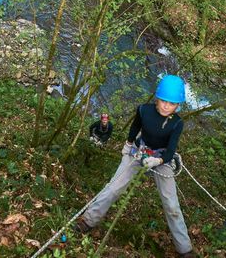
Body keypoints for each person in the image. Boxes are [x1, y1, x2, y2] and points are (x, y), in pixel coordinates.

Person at [74, 75, 195, 258]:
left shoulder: (177, 123)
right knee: (114, 187)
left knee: (171, 203)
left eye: (171, 103)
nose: (165, 106)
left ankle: (184, 249)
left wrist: (158, 161)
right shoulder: (143, 110)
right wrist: (128, 144)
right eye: (163, 100)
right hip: (139, 151)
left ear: (178, 105)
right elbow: (134, 127)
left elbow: (171, 151)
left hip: (161, 158)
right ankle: (88, 220)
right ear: (157, 98)